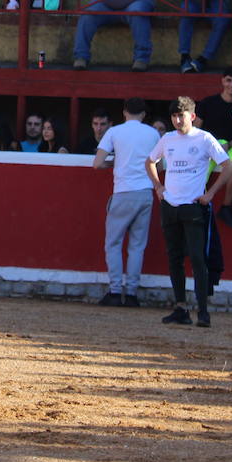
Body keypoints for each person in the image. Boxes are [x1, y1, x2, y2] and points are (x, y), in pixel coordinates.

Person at [144, 96, 232, 329]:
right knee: (174, 257)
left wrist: (211, 193)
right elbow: (150, 161)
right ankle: (181, 308)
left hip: (194, 206)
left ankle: (203, 312)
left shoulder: (205, 138)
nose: (176, 120)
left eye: (180, 115)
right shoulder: (167, 138)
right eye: (173, 116)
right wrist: (158, 186)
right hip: (170, 205)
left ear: (192, 117)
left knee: (196, 258)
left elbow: (229, 166)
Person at [93, 97, 160, 307]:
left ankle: (114, 291)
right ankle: (131, 293)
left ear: (124, 112)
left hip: (123, 192)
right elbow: (160, 162)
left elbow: (97, 163)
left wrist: (116, 162)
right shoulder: (153, 133)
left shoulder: (115, 132)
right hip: (146, 193)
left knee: (113, 243)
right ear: (143, 114)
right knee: (137, 246)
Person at [195, 67, 232, 230]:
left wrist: (227, 145)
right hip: (207, 145)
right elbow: (195, 131)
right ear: (222, 81)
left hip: (231, 145)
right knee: (198, 175)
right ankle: (194, 208)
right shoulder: (207, 103)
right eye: (229, 80)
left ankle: (226, 208)